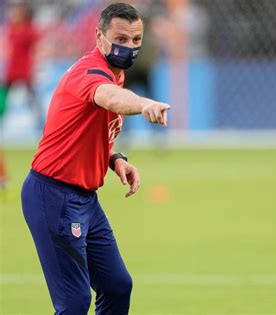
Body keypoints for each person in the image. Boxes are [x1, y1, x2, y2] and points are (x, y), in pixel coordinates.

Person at [20, 3, 170, 314]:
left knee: (117, 286)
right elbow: (111, 98)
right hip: (55, 196)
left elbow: (85, 133)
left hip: (84, 199)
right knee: (74, 304)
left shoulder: (115, 73)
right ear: (99, 37)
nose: (129, 47)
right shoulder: (91, 73)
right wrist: (143, 104)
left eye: (136, 40)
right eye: (121, 39)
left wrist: (115, 159)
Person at [0, 1, 39, 189]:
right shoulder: (16, 28)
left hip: (23, 70)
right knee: (24, 101)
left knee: (33, 103)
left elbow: (34, 48)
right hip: (13, 71)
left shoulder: (27, 29)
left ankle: (45, 129)